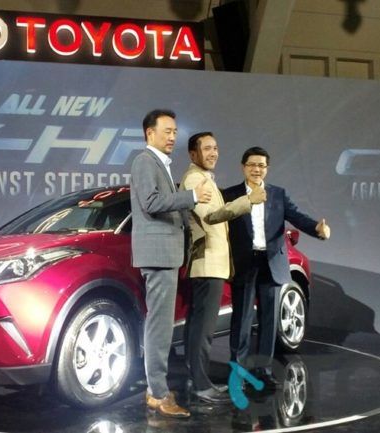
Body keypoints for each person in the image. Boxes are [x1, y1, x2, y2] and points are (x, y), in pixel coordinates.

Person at [223, 146, 330, 389]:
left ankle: (263, 370)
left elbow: (297, 217)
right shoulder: (230, 194)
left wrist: (317, 229)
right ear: (243, 167)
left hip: (271, 262)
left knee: (269, 320)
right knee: (241, 320)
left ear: (267, 169)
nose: (257, 169)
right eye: (252, 165)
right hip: (244, 262)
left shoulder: (278, 194)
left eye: (261, 165)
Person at [130, 109, 212, 418]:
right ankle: (157, 393)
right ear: (149, 133)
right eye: (167, 131)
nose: (173, 136)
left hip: (166, 255)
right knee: (159, 327)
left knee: (161, 325)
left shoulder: (159, 164)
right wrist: (191, 196)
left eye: (175, 131)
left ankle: (158, 389)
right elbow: (151, 202)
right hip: (158, 255)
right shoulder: (144, 161)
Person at [179, 132, 266, 404]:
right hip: (207, 263)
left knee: (199, 327)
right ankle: (200, 384)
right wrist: (248, 201)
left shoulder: (204, 178)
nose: (214, 153)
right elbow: (211, 216)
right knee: (202, 329)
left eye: (215, 148)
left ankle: (197, 380)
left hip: (210, 264)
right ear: (193, 154)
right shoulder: (194, 179)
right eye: (207, 148)